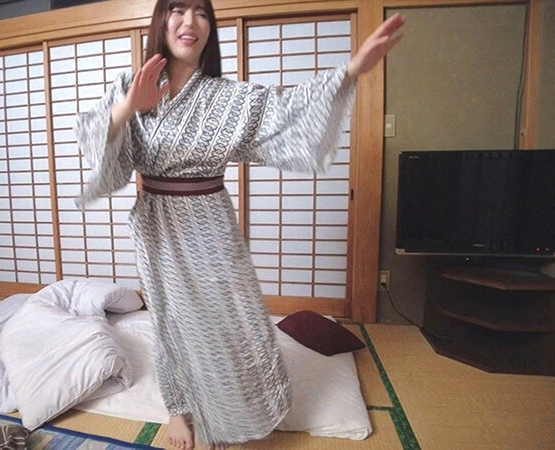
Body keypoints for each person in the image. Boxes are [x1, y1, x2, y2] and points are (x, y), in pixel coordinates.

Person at [72, 1, 404, 448]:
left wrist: (350, 71)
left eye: (201, 12)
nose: (189, 22)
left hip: (209, 219)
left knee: (231, 317)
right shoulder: (133, 86)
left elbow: (289, 109)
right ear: (161, 21)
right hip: (158, 225)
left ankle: (231, 408)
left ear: (210, 28)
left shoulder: (229, 98)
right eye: (178, 9)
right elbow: (97, 143)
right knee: (172, 319)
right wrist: (127, 108)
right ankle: (179, 408)